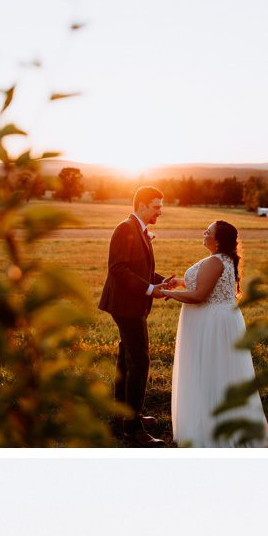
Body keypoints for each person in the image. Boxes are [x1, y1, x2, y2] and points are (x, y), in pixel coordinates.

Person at [157, 219, 268, 448]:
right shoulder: (224, 260)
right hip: (222, 320)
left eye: (208, 232)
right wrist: (179, 282)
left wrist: (165, 293)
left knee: (208, 372)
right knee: (220, 372)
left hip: (211, 323)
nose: (204, 233)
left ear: (217, 241)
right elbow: (205, 284)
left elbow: (200, 295)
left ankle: (209, 431)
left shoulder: (215, 261)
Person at [98, 186, 177, 446]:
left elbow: (139, 268)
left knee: (127, 357)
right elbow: (118, 268)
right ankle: (132, 429)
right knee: (140, 361)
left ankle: (122, 414)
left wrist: (161, 281)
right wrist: (150, 289)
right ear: (142, 206)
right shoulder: (125, 229)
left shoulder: (138, 230)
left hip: (131, 304)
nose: (160, 212)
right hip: (126, 306)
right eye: (156, 207)